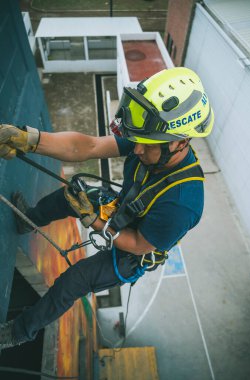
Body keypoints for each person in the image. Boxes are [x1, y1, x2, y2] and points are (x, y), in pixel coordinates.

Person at [0, 67, 214, 349]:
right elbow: (86, 147)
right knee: (71, 195)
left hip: (133, 253)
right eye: (136, 141)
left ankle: (19, 332)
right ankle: (28, 220)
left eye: (145, 146)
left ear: (180, 142)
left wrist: (95, 221)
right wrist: (31, 140)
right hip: (124, 211)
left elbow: (139, 244)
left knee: (74, 281)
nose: (136, 150)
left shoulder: (183, 202)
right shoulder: (152, 137)